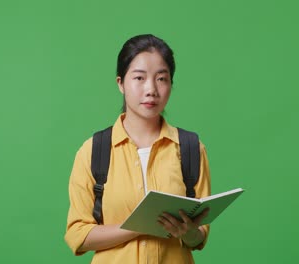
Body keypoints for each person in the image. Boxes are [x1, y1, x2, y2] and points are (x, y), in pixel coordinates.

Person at [64, 34, 211, 263]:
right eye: (139, 78)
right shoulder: (93, 151)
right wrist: (139, 226)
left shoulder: (191, 148)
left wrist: (189, 232)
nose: (151, 89)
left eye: (161, 79)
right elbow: (78, 234)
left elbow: (199, 238)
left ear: (171, 84)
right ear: (121, 83)